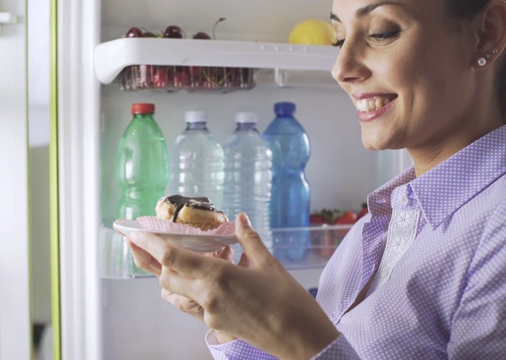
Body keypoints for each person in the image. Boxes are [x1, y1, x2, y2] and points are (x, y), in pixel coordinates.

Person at [126, 0, 506, 358]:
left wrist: (291, 333)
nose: (341, 67)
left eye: (382, 31)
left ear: (486, 32)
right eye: (340, 39)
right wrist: (236, 323)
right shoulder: (375, 228)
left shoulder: (496, 229)